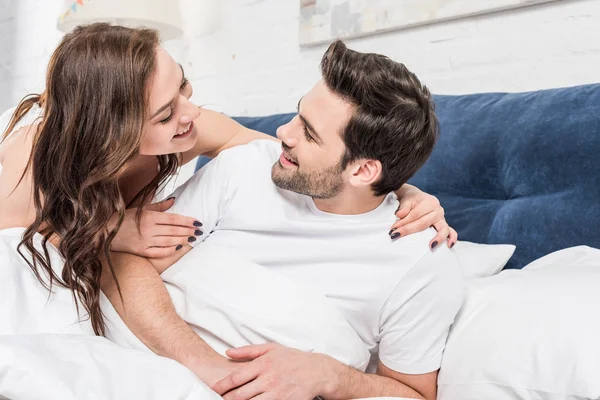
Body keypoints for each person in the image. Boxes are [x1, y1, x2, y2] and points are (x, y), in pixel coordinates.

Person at [0, 21, 454, 364]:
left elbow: (310, 166)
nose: (192, 110)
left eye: (182, 83)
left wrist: (399, 188)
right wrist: (111, 230)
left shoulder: (191, 130)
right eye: (164, 114)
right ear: (111, 134)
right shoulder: (29, 161)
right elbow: (24, 245)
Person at [102, 40, 464, 400]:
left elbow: (412, 393)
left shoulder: (421, 264)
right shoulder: (244, 168)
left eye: (308, 132)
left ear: (365, 170)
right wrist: (208, 367)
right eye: (297, 114)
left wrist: (333, 377)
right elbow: (128, 263)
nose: (283, 133)